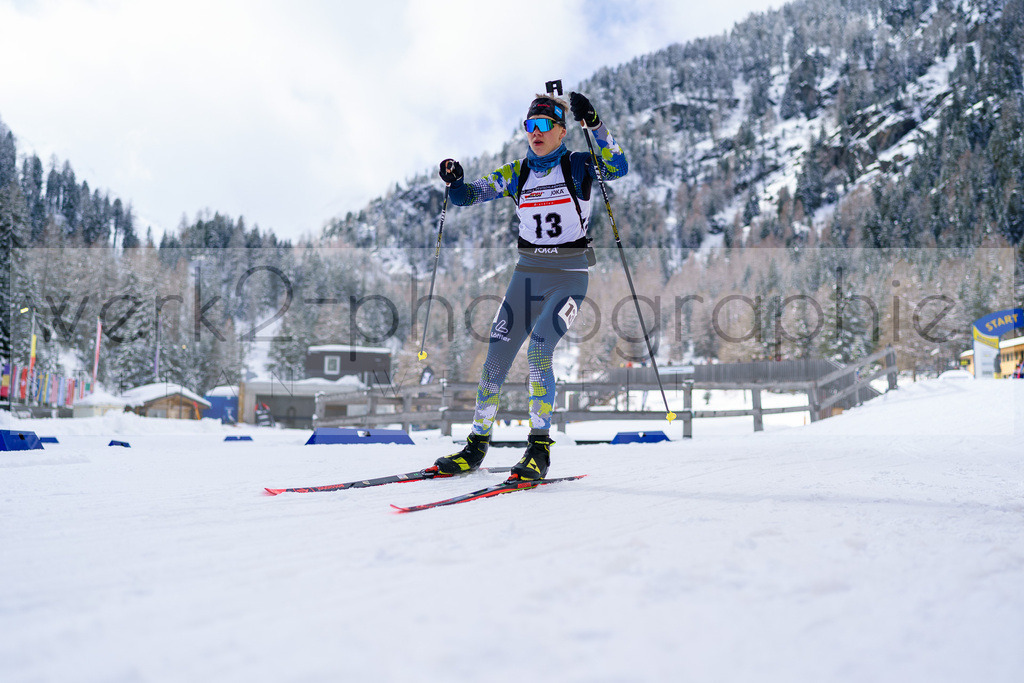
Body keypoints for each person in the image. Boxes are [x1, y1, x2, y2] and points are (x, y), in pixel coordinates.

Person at [433, 90, 628, 480]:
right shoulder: (516, 172)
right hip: (526, 275)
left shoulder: (578, 165)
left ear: (561, 130)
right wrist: (455, 181)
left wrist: (595, 123)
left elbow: (618, 166)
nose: (535, 133)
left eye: (543, 126)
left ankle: (538, 448)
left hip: (569, 278)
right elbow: (469, 195)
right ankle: (475, 446)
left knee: (539, 351)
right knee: (496, 358)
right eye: (529, 126)